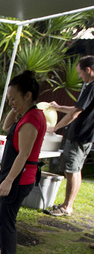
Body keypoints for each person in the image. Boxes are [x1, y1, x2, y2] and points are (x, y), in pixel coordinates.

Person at [0, 71, 46, 254]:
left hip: (19, 177)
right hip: (13, 174)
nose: (11, 103)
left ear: (27, 95)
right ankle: (0, 248)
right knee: (2, 212)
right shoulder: (26, 114)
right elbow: (6, 125)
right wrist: (15, 107)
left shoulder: (32, 119)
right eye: (9, 99)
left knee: (7, 216)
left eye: (13, 98)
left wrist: (8, 180)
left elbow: (24, 154)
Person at [44, 55, 94, 218]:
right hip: (85, 136)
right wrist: (59, 107)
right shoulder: (90, 87)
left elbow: (76, 112)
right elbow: (78, 108)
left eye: (80, 73)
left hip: (80, 135)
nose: (79, 77)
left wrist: (55, 127)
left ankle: (66, 207)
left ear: (88, 70)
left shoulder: (91, 87)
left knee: (71, 170)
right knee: (76, 170)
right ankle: (68, 205)